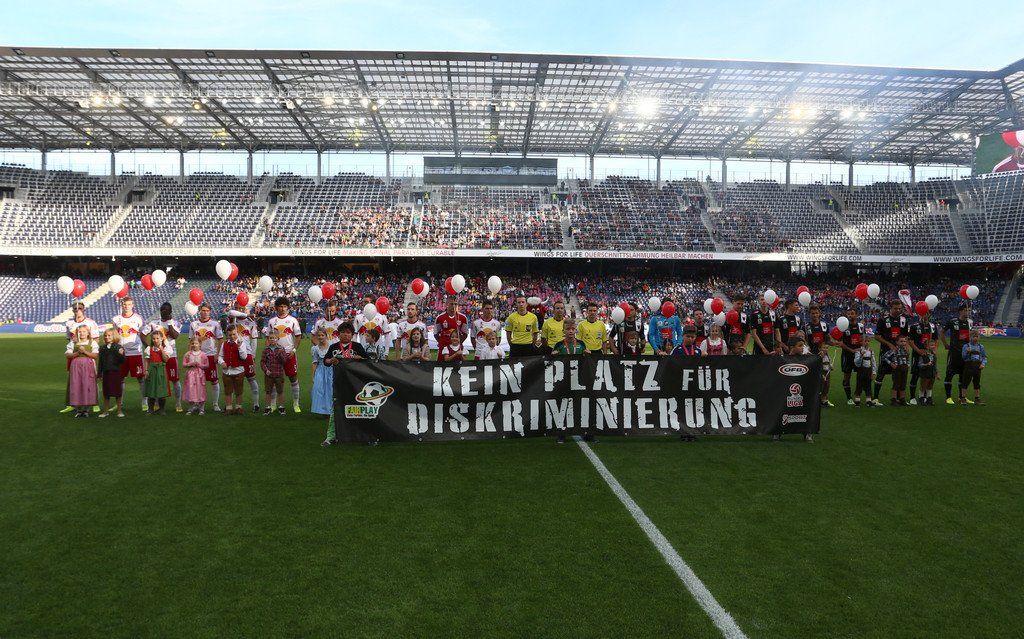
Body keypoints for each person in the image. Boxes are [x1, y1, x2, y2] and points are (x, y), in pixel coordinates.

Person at [321, 322, 366, 447]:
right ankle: (330, 436)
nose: (345, 335)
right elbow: (325, 361)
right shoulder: (334, 347)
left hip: (356, 383)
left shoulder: (357, 346)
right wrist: (331, 360)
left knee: (360, 408)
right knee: (336, 408)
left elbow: (367, 361)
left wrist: (359, 358)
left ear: (352, 335)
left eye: (348, 333)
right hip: (339, 382)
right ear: (338, 334)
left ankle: (364, 434)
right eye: (343, 332)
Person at [263, 296, 303, 413]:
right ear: (276, 307)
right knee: (274, 380)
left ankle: (296, 404)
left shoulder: (293, 320)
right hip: (275, 356)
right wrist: (268, 352)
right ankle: (273, 404)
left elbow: (298, 337)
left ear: (288, 307)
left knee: (293, 378)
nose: (283, 308)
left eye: (285, 306)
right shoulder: (272, 321)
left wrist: (294, 350)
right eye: (280, 306)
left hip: (289, 354)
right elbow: (268, 339)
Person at [142, 302, 183, 412]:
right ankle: (156, 403)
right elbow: (142, 335)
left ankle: (178, 403)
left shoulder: (176, 323)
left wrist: (169, 322)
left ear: (170, 311)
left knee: (175, 379)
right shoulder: (153, 323)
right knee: (156, 380)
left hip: (171, 355)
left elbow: (174, 335)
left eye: (166, 310)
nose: (164, 312)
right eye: (162, 310)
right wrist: (149, 348)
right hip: (156, 357)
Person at [61, 302, 100, 414]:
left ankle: (94, 403)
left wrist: (87, 350)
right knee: (74, 380)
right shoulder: (69, 323)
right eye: (75, 308)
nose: (77, 310)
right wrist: (75, 351)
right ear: (72, 310)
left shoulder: (91, 322)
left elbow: (96, 339)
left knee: (91, 380)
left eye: (80, 308)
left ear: (84, 309)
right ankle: (73, 403)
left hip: (88, 357)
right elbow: (69, 339)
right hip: (75, 356)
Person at [111, 297, 146, 411]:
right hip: (121, 353)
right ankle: (119, 403)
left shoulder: (138, 318)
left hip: (135, 352)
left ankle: (144, 402)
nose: (126, 306)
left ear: (133, 305)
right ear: (122, 305)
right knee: (120, 378)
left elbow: (143, 333)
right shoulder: (116, 319)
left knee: (140, 378)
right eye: (125, 304)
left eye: (129, 304)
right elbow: (115, 336)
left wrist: (146, 347)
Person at [225, 302, 261, 412]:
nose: (238, 310)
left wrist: (253, 356)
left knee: (251, 378)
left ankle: (256, 404)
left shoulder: (251, 322)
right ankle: (230, 406)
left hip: (247, 354)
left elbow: (254, 340)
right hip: (233, 353)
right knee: (232, 380)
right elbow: (231, 312)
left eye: (240, 308)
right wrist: (246, 315)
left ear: (244, 308)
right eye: (236, 308)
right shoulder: (232, 320)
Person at [189, 302, 224, 412]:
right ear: (200, 311)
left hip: (210, 356)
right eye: (203, 310)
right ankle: (197, 404)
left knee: (214, 380)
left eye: (207, 311)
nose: (205, 313)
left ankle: (215, 404)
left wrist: (218, 355)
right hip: (197, 356)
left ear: (210, 312)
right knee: (197, 382)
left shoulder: (215, 324)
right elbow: (190, 341)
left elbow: (220, 340)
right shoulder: (193, 324)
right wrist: (190, 355)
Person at [873, 299, 909, 406]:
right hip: (886, 352)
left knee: (898, 376)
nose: (898, 310)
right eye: (895, 308)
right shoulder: (883, 320)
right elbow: (876, 336)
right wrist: (889, 344)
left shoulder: (903, 320)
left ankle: (897, 399)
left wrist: (906, 345)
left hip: (899, 354)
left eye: (899, 308)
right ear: (890, 308)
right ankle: (875, 398)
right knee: (881, 375)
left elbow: (905, 336)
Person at [941, 304, 973, 405]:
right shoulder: (953, 321)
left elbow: (969, 337)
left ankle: (961, 397)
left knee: (963, 376)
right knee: (949, 374)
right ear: (960, 311)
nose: (968, 312)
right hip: (954, 353)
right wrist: (946, 344)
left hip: (965, 354)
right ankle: (948, 397)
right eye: (966, 310)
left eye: (969, 310)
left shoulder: (970, 323)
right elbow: (942, 332)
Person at [66, 324, 98, 418]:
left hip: (88, 367)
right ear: (77, 333)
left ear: (88, 333)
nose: (82, 333)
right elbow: (68, 355)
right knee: (76, 385)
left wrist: (84, 352)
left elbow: (95, 355)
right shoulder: (73, 343)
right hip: (76, 367)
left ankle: (86, 409)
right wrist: (77, 353)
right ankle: (79, 410)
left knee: (87, 385)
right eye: (80, 332)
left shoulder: (92, 342)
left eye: (84, 331)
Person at [908, 310, 938, 405]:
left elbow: (936, 340)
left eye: (926, 313)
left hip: (929, 355)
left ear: (928, 314)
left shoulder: (933, 326)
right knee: (915, 375)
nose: (924, 315)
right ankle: (912, 397)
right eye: (922, 313)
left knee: (928, 376)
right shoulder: (914, 326)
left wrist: (934, 350)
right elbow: (911, 341)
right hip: (917, 355)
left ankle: (924, 397)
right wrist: (919, 351)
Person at [218, 325, 249, 415]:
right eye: (230, 335)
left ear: (237, 333)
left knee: (239, 390)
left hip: (238, 370)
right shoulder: (224, 344)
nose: (232, 336)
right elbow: (220, 356)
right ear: (227, 335)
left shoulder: (242, 343)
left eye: (234, 334)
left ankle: (239, 407)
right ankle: (229, 408)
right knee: (228, 390)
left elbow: (244, 357)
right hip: (227, 371)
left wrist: (239, 347)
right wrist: (222, 362)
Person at [143, 330, 174, 415]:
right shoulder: (149, 348)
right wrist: (146, 370)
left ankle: (162, 409)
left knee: (161, 389)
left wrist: (161, 350)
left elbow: (165, 359)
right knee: (151, 389)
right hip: (152, 370)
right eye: (153, 338)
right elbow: (146, 360)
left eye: (157, 338)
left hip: (161, 370)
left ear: (161, 339)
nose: (155, 340)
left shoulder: (166, 348)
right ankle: (150, 409)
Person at [840, 308, 866, 405]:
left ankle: (857, 396)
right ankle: (849, 398)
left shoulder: (861, 326)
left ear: (856, 315)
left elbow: (863, 339)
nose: (850, 315)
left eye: (852, 313)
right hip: (847, 355)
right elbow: (841, 343)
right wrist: (852, 350)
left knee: (860, 376)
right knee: (847, 376)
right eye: (848, 314)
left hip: (858, 355)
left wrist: (863, 348)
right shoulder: (843, 326)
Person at [97, 327, 125, 418]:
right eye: (105, 335)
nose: (107, 337)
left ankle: (119, 411)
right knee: (106, 393)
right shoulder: (102, 348)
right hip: (106, 373)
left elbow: (122, 361)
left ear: (114, 336)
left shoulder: (118, 347)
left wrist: (120, 354)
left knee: (117, 392)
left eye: (109, 335)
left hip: (116, 372)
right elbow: (100, 362)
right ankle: (105, 411)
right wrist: (99, 373)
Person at [260, 332, 289, 415]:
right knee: (268, 391)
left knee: (280, 391)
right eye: (271, 338)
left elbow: (284, 361)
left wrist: (280, 354)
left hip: (279, 373)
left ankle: (281, 407)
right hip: (269, 375)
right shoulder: (266, 350)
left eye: (274, 338)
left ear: (278, 339)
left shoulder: (281, 349)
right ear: (268, 339)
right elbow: (262, 362)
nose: (272, 339)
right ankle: (267, 407)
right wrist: (266, 370)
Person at [182, 336, 209, 415]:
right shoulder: (188, 354)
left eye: (196, 343)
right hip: (190, 375)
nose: (194, 345)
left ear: (200, 344)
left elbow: (207, 365)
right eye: (192, 343)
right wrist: (190, 364)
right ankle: (191, 407)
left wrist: (200, 365)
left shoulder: (203, 354)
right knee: (191, 390)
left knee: (201, 390)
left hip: (199, 376)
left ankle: (201, 408)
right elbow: (184, 364)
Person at [310, 328, 334, 418]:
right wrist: (313, 376)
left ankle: (331, 410)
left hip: (330, 370)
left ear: (326, 336)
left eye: (322, 335)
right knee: (319, 390)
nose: (320, 337)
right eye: (319, 335)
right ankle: (322, 410)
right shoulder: (315, 349)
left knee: (330, 390)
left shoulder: (332, 346)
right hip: (320, 370)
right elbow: (314, 362)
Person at [959, 330, 987, 405]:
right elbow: (963, 357)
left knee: (977, 382)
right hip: (969, 365)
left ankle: (977, 399)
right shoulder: (966, 346)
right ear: (970, 337)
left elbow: (984, 357)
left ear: (979, 337)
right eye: (973, 336)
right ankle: (963, 398)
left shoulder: (981, 347)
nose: (975, 338)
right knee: (965, 382)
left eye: (977, 336)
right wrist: (967, 352)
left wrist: (983, 364)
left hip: (978, 366)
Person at [881, 335, 910, 405]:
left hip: (904, 368)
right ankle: (893, 399)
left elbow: (907, 358)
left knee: (903, 384)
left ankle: (902, 399)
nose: (903, 343)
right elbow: (884, 357)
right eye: (901, 341)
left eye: (904, 341)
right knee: (896, 384)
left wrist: (908, 365)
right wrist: (891, 363)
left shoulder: (906, 350)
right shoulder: (894, 350)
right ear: (897, 342)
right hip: (897, 369)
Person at [853, 343, 876, 407]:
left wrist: (874, 372)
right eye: (865, 341)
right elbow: (856, 363)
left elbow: (873, 361)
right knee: (859, 385)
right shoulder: (858, 351)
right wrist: (861, 355)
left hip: (869, 370)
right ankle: (857, 401)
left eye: (868, 341)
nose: (867, 342)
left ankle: (868, 401)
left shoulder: (871, 351)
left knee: (868, 385)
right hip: (861, 370)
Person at [916, 339, 938, 406]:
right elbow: (919, 364)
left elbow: (935, 365)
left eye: (934, 345)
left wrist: (937, 373)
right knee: (923, 386)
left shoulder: (934, 355)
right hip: (925, 374)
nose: (933, 346)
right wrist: (926, 364)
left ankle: (929, 398)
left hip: (932, 373)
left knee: (930, 386)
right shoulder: (923, 355)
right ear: (927, 347)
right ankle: (921, 398)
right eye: (931, 345)